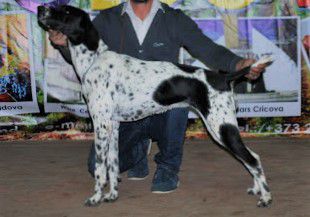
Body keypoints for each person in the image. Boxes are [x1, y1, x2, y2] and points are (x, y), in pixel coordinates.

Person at [48, 0, 267, 193]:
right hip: (128, 112)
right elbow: (87, 58)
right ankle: (138, 152)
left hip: (165, 108)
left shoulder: (174, 18)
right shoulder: (107, 19)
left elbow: (207, 49)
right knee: (96, 164)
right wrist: (65, 46)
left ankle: (168, 167)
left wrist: (238, 65)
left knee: (181, 99)